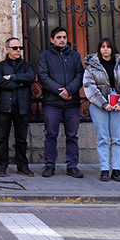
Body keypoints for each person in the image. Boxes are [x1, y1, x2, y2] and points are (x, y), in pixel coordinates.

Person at [37, 26, 85, 178]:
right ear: (52, 40)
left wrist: (69, 90)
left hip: (72, 102)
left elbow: (80, 75)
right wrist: (60, 91)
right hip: (52, 102)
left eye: (64, 37)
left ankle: (72, 166)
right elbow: (43, 76)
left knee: (72, 135)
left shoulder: (75, 56)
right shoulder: (45, 56)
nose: (62, 40)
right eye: (59, 37)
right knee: (51, 134)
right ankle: (49, 165)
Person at [83, 38, 120, 182]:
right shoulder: (91, 67)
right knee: (102, 138)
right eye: (103, 46)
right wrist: (103, 103)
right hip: (99, 106)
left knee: (117, 139)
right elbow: (89, 86)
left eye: (108, 47)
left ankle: (116, 169)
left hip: (118, 106)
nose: (105, 49)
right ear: (99, 49)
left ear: (113, 49)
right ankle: (104, 169)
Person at [0, 37, 36, 177]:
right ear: (7, 49)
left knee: (21, 139)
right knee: (2, 138)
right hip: (5, 106)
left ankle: (22, 166)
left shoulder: (26, 66)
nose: (18, 51)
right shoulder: (0, 66)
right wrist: (19, 83)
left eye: (20, 48)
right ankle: (2, 166)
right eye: (15, 48)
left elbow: (30, 77)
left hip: (22, 106)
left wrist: (12, 77)